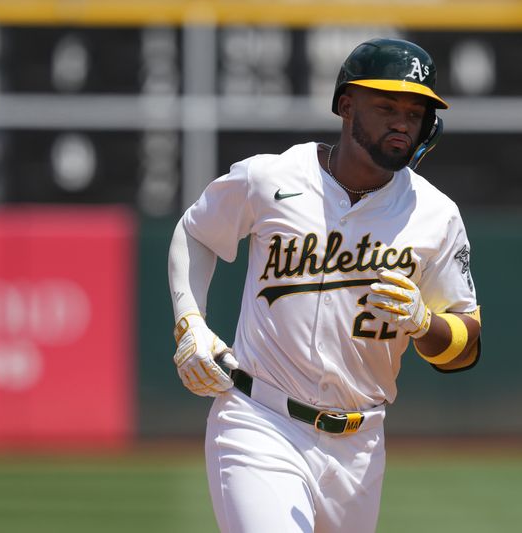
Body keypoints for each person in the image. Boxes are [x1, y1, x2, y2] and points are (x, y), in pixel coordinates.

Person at [167, 38, 481, 533]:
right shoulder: (270, 177)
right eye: (387, 106)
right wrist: (190, 321)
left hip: (360, 444)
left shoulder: (435, 216)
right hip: (259, 420)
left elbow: (465, 346)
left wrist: (424, 324)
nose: (403, 121)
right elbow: (196, 231)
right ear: (345, 105)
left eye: (417, 111)